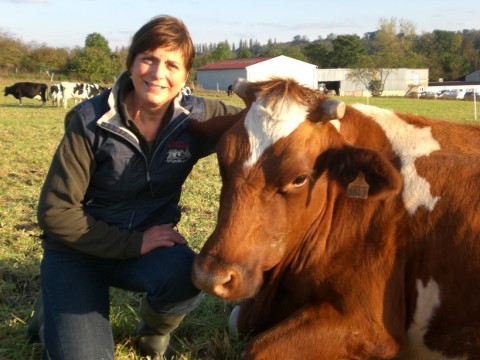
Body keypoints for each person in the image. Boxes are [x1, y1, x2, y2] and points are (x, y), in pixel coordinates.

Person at [30, 15, 241, 360]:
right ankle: (51, 309)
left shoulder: (196, 117)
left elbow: (260, 122)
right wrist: (134, 242)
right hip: (77, 251)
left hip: (145, 247)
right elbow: (55, 212)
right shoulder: (91, 122)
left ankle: (153, 336)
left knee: (186, 276)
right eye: (148, 59)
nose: (158, 74)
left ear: (185, 75)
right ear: (130, 64)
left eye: (172, 64)